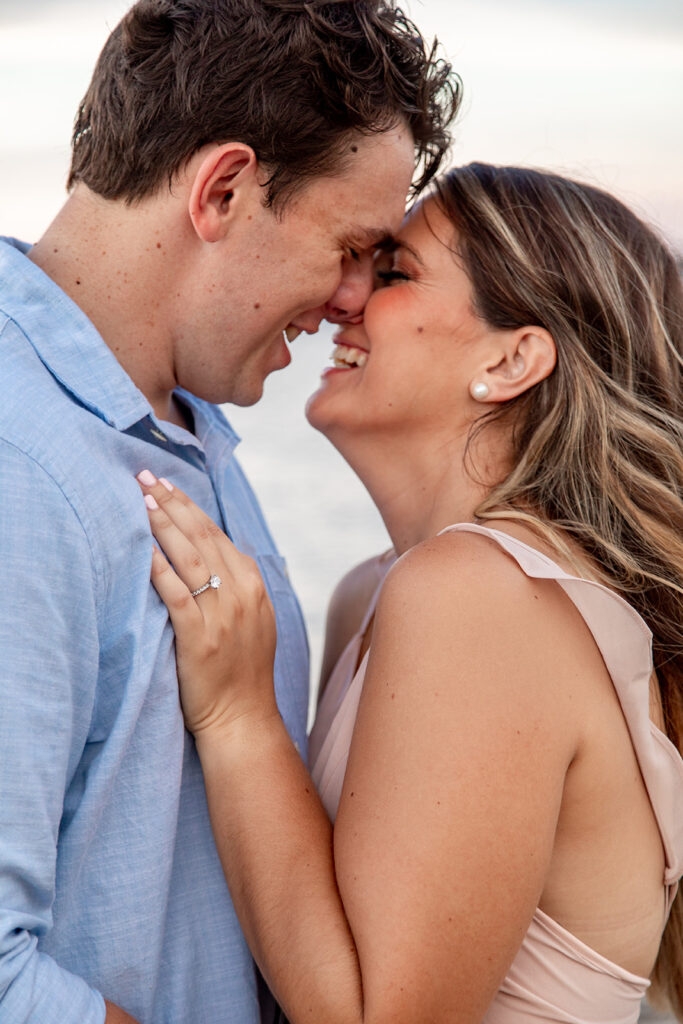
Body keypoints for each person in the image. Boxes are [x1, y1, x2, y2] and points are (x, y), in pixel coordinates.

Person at [138, 163, 683, 1023]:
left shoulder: (482, 598)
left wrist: (240, 718)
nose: (345, 296)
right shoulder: (382, 593)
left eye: (392, 273)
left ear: (512, 360)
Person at [0, 1, 459, 1020]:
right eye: (348, 246)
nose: (352, 298)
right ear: (223, 189)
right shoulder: (19, 462)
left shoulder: (186, 418)